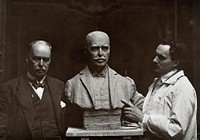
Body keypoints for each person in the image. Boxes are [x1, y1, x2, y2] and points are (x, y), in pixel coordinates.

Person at [64, 31, 144, 128]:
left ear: (110, 50)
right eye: (94, 49)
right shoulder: (73, 84)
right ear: (86, 51)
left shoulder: (125, 83)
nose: (100, 54)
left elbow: (144, 106)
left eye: (105, 48)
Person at [122, 39, 197, 140]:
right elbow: (152, 109)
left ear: (175, 62)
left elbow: (176, 130)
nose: (154, 60)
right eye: (156, 55)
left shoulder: (182, 87)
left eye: (161, 58)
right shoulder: (159, 82)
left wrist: (142, 118)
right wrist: (133, 92)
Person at [0, 40, 66, 139]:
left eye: (46, 59)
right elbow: (2, 130)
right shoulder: (9, 88)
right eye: (36, 59)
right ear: (27, 59)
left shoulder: (59, 86)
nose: (41, 64)